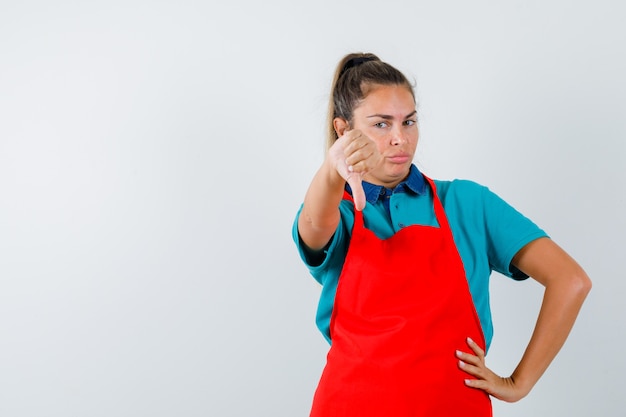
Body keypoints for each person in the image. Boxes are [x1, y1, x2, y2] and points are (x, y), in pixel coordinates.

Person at [292, 52, 592, 417]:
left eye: (409, 121)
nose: (400, 138)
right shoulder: (336, 210)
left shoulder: (467, 203)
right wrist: (331, 169)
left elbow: (571, 280)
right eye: (381, 125)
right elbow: (313, 226)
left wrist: (518, 383)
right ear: (344, 131)